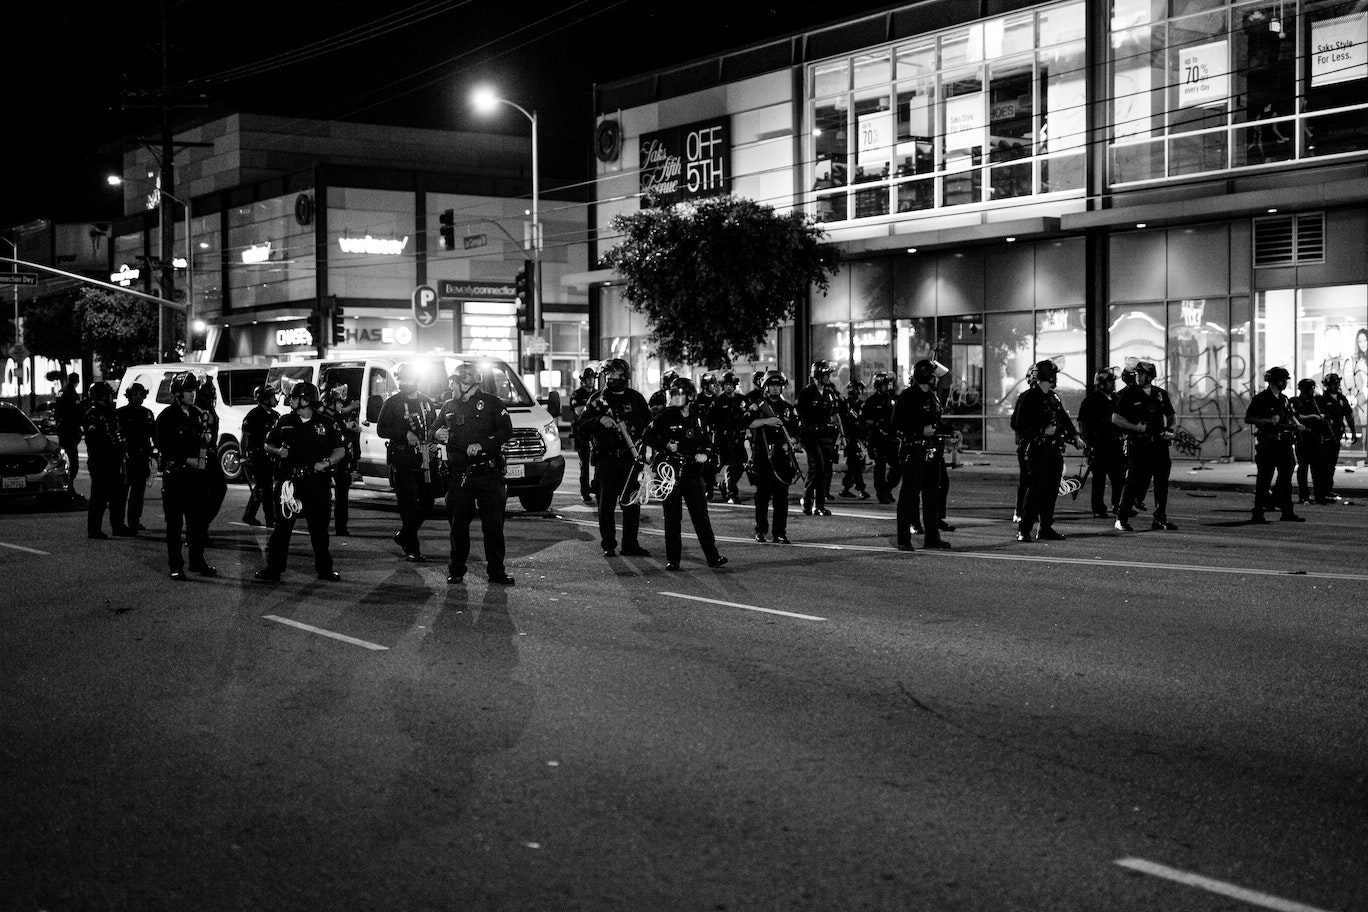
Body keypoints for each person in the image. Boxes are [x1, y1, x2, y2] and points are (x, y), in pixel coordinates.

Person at [431, 363, 515, 585]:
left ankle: (496, 572)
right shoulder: (449, 405)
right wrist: (436, 434)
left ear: (467, 382)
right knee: (458, 527)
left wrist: (483, 444)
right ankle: (456, 569)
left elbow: (506, 431)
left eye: (454, 382)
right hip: (460, 475)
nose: (450, 386)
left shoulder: (492, 404)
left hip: (488, 473)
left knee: (493, 527)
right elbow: (432, 431)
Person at [254, 382, 346, 582]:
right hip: (290, 483)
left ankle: (325, 570)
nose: (291, 400)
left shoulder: (327, 423)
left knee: (319, 530)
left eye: (295, 397)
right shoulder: (284, 421)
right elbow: (267, 444)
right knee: (282, 530)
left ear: (306, 400)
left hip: (317, 482)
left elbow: (341, 449)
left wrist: (327, 462)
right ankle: (273, 570)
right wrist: (278, 451)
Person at [642, 376, 727, 570]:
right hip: (670, 472)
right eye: (673, 393)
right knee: (672, 517)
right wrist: (665, 446)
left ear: (690, 396)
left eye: (679, 393)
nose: (675, 397)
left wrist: (705, 454)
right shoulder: (665, 416)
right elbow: (647, 436)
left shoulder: (698, 415)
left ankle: (713, 557)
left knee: (701, 516)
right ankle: (673, 559)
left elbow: (707, 440)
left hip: (693, 472)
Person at [574, 357, 652, 558]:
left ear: (624, 375)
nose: (611, 377)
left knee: (631, 503)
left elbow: (649, 426)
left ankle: (630, 544)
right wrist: (599, 420)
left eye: (615, 373)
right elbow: (580, 427)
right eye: (608, 373)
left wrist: (646, 448)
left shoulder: (635, 398)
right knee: (606, 504)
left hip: (630, 459)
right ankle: (608, 544)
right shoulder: (597, 400)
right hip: (606, 459)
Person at [1014, 360, 1085, 542]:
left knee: (1051, 491)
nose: (1056, 378)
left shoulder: (1053, 398)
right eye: (1054, 374)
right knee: (1036, 490)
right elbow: (1018, 424)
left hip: (1053, 450)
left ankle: (1045, 527)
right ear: (1050, 376)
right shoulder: (1030, 397)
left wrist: (1075, 436)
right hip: (1037, 450)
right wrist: (1041, 431)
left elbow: (1064, 419)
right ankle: (1024, 530)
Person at [377, 363, 441, 562]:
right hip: (403, 459)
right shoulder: (392, 403)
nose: (405, 383)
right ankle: (412, 547)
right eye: (402, 379)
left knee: (428, 502)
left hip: (425, 460)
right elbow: (382, 429)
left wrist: (434, 440)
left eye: (408, 379)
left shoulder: (427, 402)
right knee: (408, 506)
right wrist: (405, 434)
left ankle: (404, 534)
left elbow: (433, 426)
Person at [156, 372, 215, 580]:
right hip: (176, 476)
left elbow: (204, 440)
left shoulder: (198, 414)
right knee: (174, 524)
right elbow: (162, 445)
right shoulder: (166, 417)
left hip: (196, 476)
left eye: (193, 390)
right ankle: (176, 565)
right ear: (178, 393)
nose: (193, 394)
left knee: (198, 522)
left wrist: (207, 439)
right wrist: (183, 459)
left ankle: (197, 561)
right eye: (189, 391)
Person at [892, 359, 953, 550]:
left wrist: (952, 431)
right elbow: (896, 425)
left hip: (932, 452)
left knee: (931, 497)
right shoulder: (908, 396)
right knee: (909, 496)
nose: (937, 380)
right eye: (934, 376)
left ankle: (932, 538)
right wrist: (919, 430)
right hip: (914, 451)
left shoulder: (933, 398)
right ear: (926, 376)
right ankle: (903, 539)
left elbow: (935, 424)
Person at [1112, 360, 1178, 532]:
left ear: (1150, 376)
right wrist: (1135, 428)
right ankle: (1121, 518)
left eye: (1141, 374)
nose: (1138, 376)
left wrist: (1170, 430)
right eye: (1137, 373)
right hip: (1139, 444)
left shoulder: (1160, 394)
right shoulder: (1129, 393)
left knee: (1161, 483)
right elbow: (1116, 418)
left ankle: (1159, 518)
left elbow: (1171, 416)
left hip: (1159, 444)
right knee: (1133, 482)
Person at [746, 370, 802, 544]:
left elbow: (797, 432)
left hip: (782, 458)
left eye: (778, 385)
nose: (775, 388)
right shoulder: (758, 405)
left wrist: (792, 441)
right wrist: (767, 421)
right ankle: (761, 531)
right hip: (762, 456)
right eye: (772, 385)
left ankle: (779, 532)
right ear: (766, 386)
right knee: (762, 496)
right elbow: (746, 422)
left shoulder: (788, 409)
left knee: (781, 497)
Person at [1244, 366, 1305, 523]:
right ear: (1276, 381)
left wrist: (1297, 424)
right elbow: (1249, 418)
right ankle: (1258, 513)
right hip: (1268, 443)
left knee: (1286, 478)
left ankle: (1287, 512)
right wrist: (1268, 421)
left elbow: (1290, 416)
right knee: (1264, 479)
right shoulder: (1261, 398)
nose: (1285, 383)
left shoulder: (1284, 399)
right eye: (1283, 380)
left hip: (1284, 443)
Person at [82, 381, 130, 539]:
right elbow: (96, 441)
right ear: (102, 395)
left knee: (118, 495)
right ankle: (94, 530)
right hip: (101, 461)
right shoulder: (93, 414)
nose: (112, 397)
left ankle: (118, 526)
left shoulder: (110, 412)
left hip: (114, 459)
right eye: (109, 394)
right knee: (99, 496)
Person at [1077, 368, 1125, 519]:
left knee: (1119, 477)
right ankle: (1098, 508)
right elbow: (1084, 425)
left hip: (1116, 445)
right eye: (1110, 381)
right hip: (1099, 446)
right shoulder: (1091, 401)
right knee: (1099, 479)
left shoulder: (1117, 400)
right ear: (1101, 383)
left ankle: (1118, 505)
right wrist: (1088, 447)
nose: (1113, 384)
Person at [797, 360, 841, 516]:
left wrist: (842, 435)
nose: (828, 377)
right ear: (818, 375)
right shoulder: (806, 393)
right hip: (810, 437)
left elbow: (835, 415)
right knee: (818, 468)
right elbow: (799, 416)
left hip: (826, 436)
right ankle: (807, 500)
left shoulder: (829, 393)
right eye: (826, 374)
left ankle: (819, 505)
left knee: (824, 470)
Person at [115, 381, 157, 533]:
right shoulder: (120, 414)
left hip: (142, 457)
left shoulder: (147, 414)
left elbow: (154, 435)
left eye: (140, 394)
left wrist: (154, 454)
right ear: (129, 396)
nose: (138, 397)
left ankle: (134, 520)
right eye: (135, 394)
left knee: (138, 493)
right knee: (122, 493)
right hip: (126, 459)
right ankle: (119, 523)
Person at [320, 382, 360, 535]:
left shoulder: (338, 418)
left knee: (342, 497)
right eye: (337, 402)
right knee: (325, 498)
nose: (340, 405)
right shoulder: (323, 420)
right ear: (330, 403)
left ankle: (341, 526)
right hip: (329, 463)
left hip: (343, 463)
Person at [240, 384, 280, 527]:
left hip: (271, 456)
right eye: (271, 397)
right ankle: (270, 518)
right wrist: (242, 456)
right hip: (257, 455)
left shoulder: (276, 416)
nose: (274, 399)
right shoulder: (253, 415)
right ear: (264, 399)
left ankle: (249, 515)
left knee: (261, 487)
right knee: (266, 487)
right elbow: (245, 437)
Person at [707, 370, 749, 504]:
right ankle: (732, 494)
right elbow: (709, 420)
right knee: (730, 464)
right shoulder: (718, 402)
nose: (729, 387)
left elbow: (748, 417)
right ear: (723, 386)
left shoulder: (742, 400)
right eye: (726, 384)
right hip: (725, 438)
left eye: (731, 384)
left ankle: (724, 484)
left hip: (740, 438)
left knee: (742, 463)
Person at [1317, 373, 1358, 502]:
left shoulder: (1341, 398)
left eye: (1337, 383)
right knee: (1324, 464)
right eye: (1334, 383)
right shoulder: (1321, 400)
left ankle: (1328, 489)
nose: (1337, 385)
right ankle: (1322, 491)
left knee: (1332, 464)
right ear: (1328, 385)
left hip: (1336, 436)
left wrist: (1353, 432)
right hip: (1325, 437)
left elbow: (1349, 416)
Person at [1291, 378, 1332, 505]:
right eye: (1310, 388)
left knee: (1318, 469)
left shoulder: (1316, 401)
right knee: (1303, 468)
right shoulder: (1296, 401)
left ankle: (1320, 495)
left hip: (1316, 439)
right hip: (1303, 439)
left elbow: (1324, 416)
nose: (1313, 391)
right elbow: (1295, 416)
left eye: (1313, 388)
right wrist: (1313, 417)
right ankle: (1304, 495)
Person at [194, 379, 227, 530]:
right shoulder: (195, 411)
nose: (210, 398)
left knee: (219, 488)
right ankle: (195, 529)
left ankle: (202, 523)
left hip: (211, 454)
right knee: (200, 493)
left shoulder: (210, 409)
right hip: (198, 455)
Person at [863, 371, 900, 504]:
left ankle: (887, 488)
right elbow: (865, 421)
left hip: (892, 439)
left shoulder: (893, 400)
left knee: (897, 467)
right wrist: (876, 423)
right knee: (880, 468)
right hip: (878, 439)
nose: (888, 387)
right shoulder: (871, 402)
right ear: (878, 386)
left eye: (889, 384)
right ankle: (881, 493)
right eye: (885, 385)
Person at [1008, 366, 1037, 524]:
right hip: (1028, 445)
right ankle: (1020, 511)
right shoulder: (1025, 397)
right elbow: (1015, 423)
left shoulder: (1050, 397)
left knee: (1038, 481)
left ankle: (1032, 510)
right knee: (1026, 479)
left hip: (1042, 446)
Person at [569, 366, 599, 505]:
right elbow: (579, 411)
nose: (591, 381)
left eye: (593, 378)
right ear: (583, 380)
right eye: (588, 378)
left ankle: (598, 487)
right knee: (585, 464)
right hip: (582, 433)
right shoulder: (577, 395)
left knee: (599, 462)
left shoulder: (598, 394)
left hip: (595, 432)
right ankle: (585, 491)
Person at [54, 372, 85, 501]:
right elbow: (77, 413)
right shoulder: (72, 394)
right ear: (77, 381)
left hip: (64, 432)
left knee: (67, 462)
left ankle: (67, 489)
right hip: (70, 432)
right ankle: (69, 490)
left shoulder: (61, 392)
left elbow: (57, 412)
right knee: (73, 464)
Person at [838, 379, 870, 499]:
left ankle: (845, 488)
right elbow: (843, 422)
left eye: (859, 389)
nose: (858, 391)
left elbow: (865, 421)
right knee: (856, 464)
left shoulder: (862, 405)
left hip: (860, 438)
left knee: (855, 465)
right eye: (856, 389)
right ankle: (860, 489)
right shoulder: (845, 405)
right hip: (850, 438)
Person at [695, 372, 721, 499]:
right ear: (705, 385)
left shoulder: (717, 399)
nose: (714, 386)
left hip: (714, 434)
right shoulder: (697, 400)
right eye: (711, 384)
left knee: (714, 462)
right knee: (703, 464)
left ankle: (718, 484)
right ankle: (707, 488)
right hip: (701, 436)